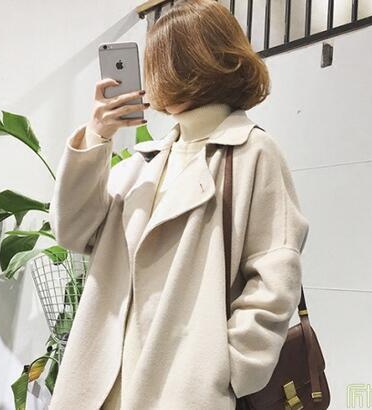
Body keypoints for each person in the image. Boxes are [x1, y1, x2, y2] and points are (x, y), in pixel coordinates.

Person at [48, 1, 310, 409]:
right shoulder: (144, 164)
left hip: (182, 390)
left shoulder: (252, 152)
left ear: (190, 65)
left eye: (158, 62)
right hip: (104, 387)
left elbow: (275, 278)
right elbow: (72, 232)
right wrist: (97, 137)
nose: (152, 77)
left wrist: (225, 370)